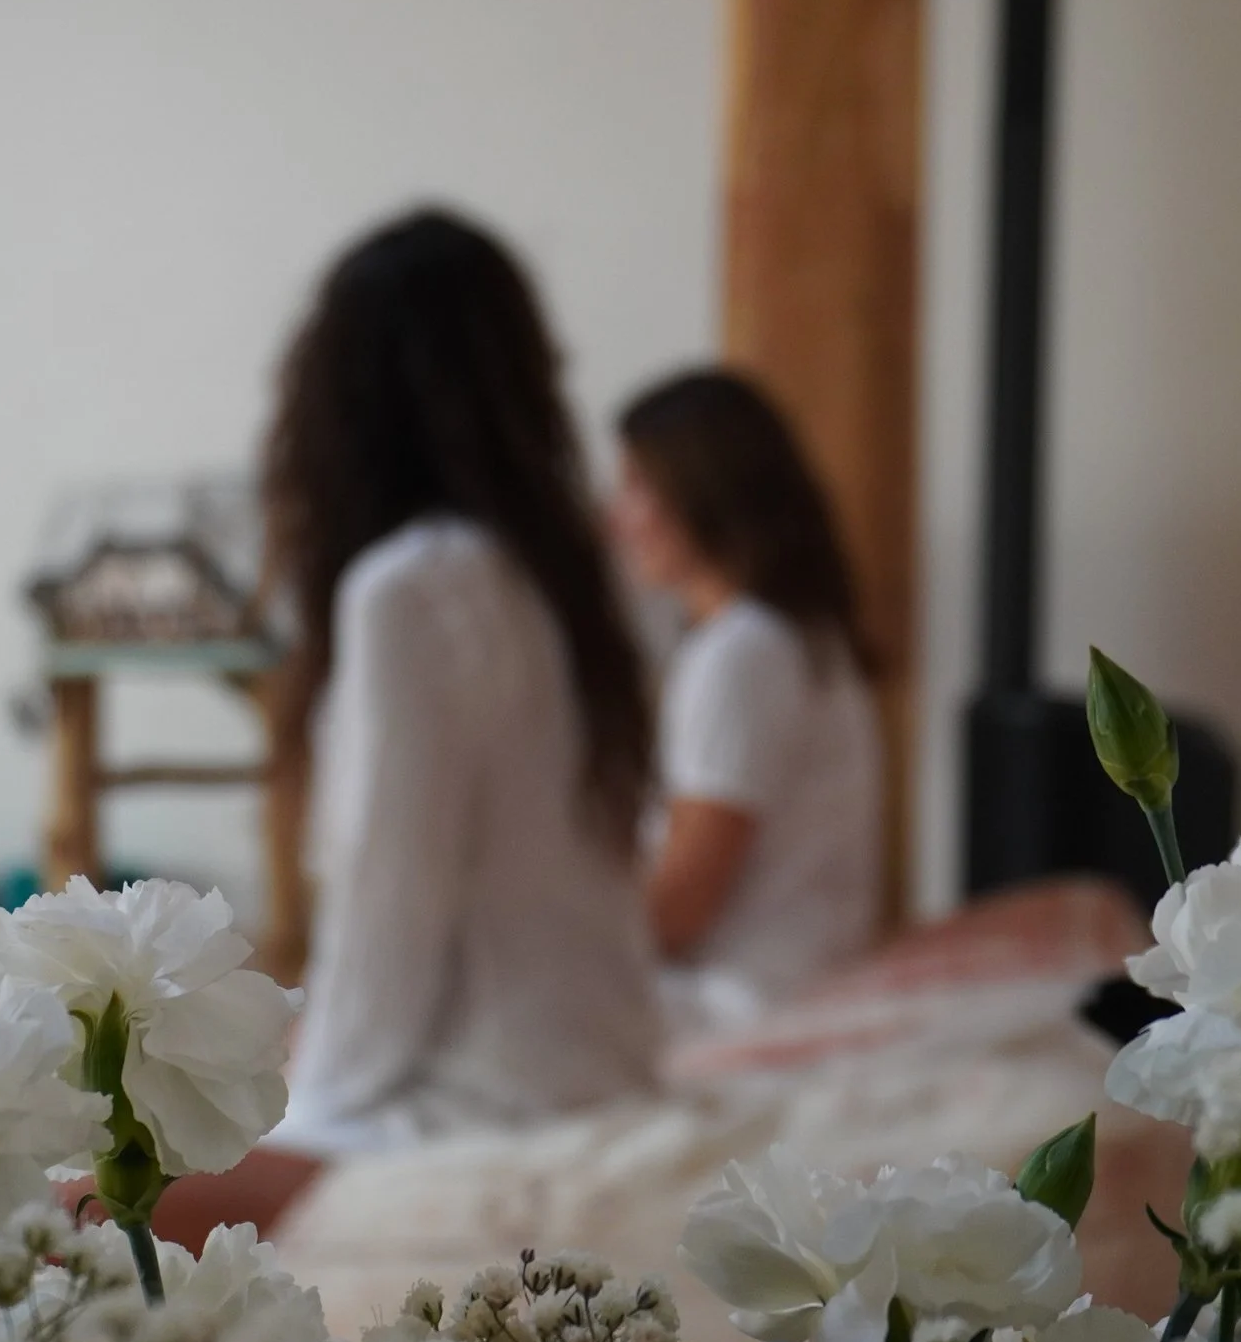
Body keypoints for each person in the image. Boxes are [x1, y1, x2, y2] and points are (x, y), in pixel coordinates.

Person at [242, 210, 665, 1168]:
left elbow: (398, 897)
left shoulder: (409, 590)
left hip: (480, 1100)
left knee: (89, 1205)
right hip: (605, 1064)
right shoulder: (573, 577)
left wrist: (303, 1112)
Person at [607, 368, 881, 1034]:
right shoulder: (789, 636)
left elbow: (680, 908)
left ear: (702, 491)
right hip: (783, 977)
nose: (619, 515)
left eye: (638, 486)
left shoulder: (742, 655)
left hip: (737, 998)